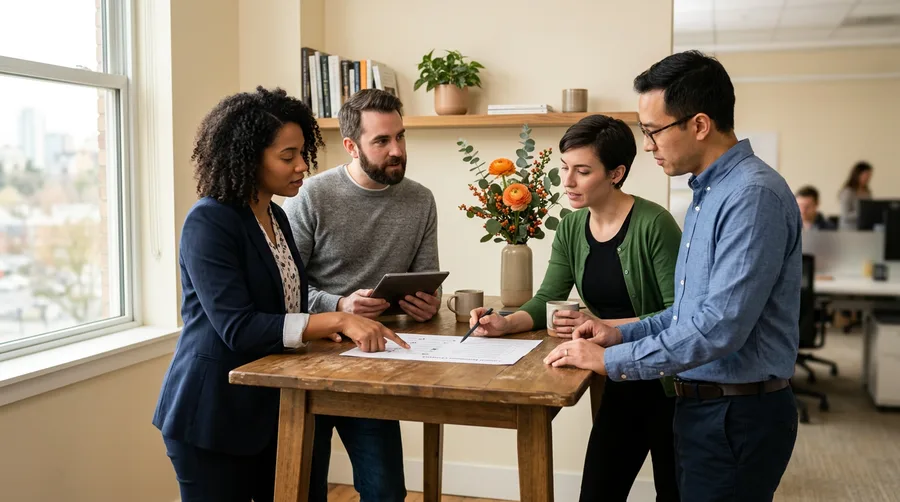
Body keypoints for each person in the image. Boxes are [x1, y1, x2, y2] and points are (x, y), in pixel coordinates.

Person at [544, 51, 801, 502]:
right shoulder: (707, 195)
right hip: (702, 405)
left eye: (653, 131)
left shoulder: (751, 196)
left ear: (699, 125)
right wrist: (618, 336)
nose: (647, 145)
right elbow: (687, 314)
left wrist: (611, 363)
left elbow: (719, 327)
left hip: (736, 414)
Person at [152, 87, 408, 502]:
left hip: (268, 410)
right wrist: (339, 317)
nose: (302, 166)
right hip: (212, 415)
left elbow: (288, 306)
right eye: (287, 156)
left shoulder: (275, 217)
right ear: (249, 157)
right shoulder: (209, 222)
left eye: (302, 153)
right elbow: (239, 328)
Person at [468, 114, 681, 501]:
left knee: (674, 493)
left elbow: (679, 315)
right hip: (618, 379)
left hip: (668, 383)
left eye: (582, 171)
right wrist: (505, 322)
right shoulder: (570, 227)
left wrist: (600, 324)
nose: (567, 181)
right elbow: (545, 298)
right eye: (564, 167)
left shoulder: (655, 224)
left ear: (616, 173)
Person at [283, 88, 440, 501]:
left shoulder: (420, 200)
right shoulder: (310, 196)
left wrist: (426, 304)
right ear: (351, 145)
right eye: (382, 141)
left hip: (374, 360)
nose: (397, 150)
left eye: (401, 137)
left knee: (386, 491)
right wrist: (339, 305)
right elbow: (286, 289)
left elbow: (423, 279)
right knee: (305, 488)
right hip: (311, 359)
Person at [838, 161, 873, 229]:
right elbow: (845, 215)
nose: (868, 178)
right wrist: (863, 213)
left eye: (870, 175)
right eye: (866, 175)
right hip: (849, 230)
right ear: (858, 175)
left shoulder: (867, 192)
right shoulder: (847, 192)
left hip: (864, 229)